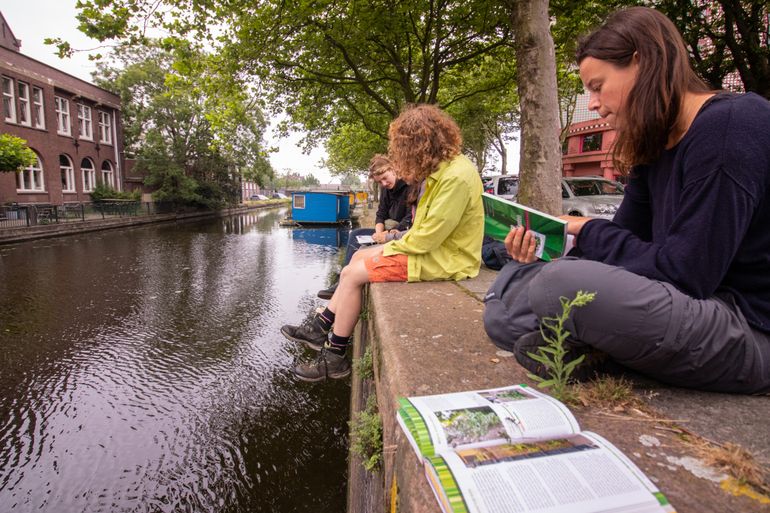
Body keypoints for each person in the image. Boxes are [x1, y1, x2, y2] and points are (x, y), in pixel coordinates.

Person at [484, 6, 770, 394]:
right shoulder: (653, 147)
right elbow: (621, 247)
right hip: (674, 303)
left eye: (598, 87)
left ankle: (601, 346)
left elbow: (686, 275)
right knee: (511, 305)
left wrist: (586, 230)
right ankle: (606, 346)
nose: (596, 103)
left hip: (745, 326)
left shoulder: (732, 126)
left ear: (642, 62)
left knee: (556, 287)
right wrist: (546, 248)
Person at [283, 104, 484, 381]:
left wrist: (384, 247)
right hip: (434, 250)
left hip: (446, 259)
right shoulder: (446, 171)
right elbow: (425, 231)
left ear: (418, 146)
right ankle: (321, 327)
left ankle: (335, 357)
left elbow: (426, 239)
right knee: (355, 260)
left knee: (353, 274)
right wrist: (377, 249)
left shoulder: (455, 179)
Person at [317, 154, 412, 299]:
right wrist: (378, 231)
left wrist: (393, 231)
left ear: (393, 169)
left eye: (386, 178)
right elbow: (381, 212)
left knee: (359, 242)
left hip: (399, 232)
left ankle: (343, 283)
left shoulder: (409, 186)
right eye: (380, 182)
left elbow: (410, 216)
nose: (384, 183)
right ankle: (344, 277)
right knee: (355, 234)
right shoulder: (385, 189)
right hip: (385, 231)